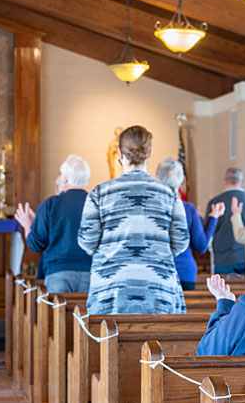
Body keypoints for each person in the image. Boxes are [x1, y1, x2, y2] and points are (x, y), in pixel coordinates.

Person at [77, 125, 190, 314]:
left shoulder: (98, 194)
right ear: (150, 153)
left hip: (110, 291)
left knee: (107, 342)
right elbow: (181, 242)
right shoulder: (170, 194)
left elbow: (87, 242)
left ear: (120, 155)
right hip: (159, 289)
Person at [15, 154, 93, 294]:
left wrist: (28, 225)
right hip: (91, 274)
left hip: (59, 273)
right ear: (86, 180)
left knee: (56, 315)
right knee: (86, 316)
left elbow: (36, 245)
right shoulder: (96, 205)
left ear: (64, 179)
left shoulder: (51, 205)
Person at [155, 159, 226, 291]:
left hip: (156, 271)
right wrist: (213, 217)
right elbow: (201, 246)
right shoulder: (188, 209)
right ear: (181, 181)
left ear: (157, 179)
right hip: (184, 271)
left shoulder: (150, 208)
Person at [205, 167, 245, 275]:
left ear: (224, 181)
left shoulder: (214, 203)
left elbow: (209, 231)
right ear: (242, 182)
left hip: (223, 259)